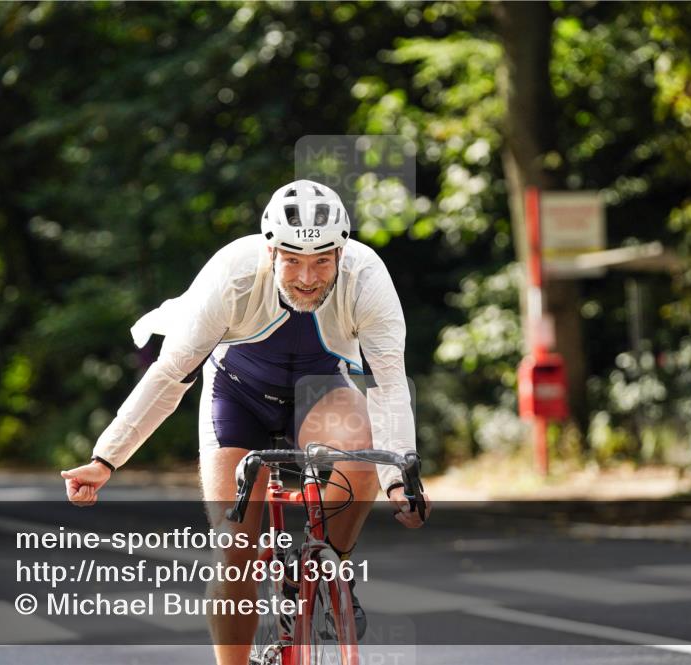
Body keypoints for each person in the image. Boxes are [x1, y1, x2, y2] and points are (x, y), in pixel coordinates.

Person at [61, 179, 431, 665]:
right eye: (293, 260)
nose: (307, 277)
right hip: (236, 394)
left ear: (342, 251)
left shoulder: (367, 277)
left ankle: (325, 570)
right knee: (236, 552)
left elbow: (388, 385)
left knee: (358, 464)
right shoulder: (233, 272)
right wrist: (105, 459)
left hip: (317, 391)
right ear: (271, 250)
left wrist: (398, 482)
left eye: (322, 260)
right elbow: (171, 374)